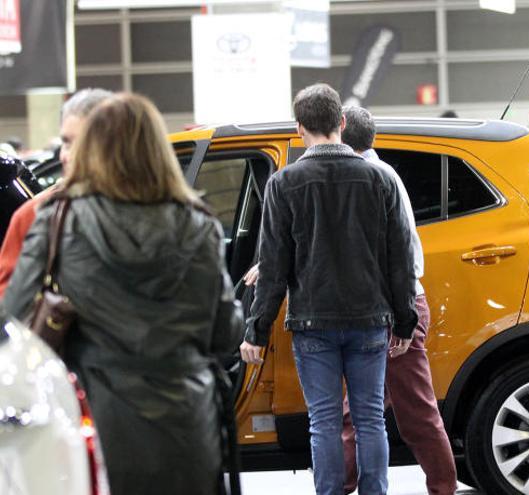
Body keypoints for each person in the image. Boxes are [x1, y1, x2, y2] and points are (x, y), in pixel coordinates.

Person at [3, 92, 243, 494]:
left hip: (97, 423)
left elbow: (13, 320)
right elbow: (225, 334)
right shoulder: (198, 223)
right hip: (187, 425)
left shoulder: (59, 221)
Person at [239, 83, 418, 495]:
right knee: (370, 417)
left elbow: (274, 268)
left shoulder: (284, 184)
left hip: (312, 324)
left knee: (322, 422)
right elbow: (400, 260)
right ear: (341, 122)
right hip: (371, 321)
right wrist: (405, 322)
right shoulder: (380, 179)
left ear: (299, 128)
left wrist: (257, 330)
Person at [339, 106, 457, 495]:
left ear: (341, 135)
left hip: (395, 308)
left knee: (413, 413)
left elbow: (405, 255)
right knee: (362, 413)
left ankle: (442, 488)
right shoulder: (377, 174)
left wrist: (403, 320)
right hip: (391, 307)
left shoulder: (376, 177)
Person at [0, 88, 112, 299]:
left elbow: (9, 311)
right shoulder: (185, 215)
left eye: (80, 143)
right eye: (66, 143)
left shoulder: (39, 215)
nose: (65, 156)